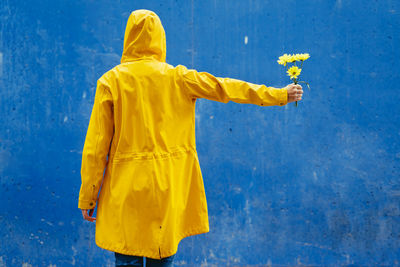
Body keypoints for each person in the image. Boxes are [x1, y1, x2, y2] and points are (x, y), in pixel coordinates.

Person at [78, 9, 303, 267]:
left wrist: (89, 196)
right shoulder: (179, 78)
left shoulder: (110, 81)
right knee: (162, 258)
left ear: (128, 38)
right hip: (168, 191)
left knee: (126, 256)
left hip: (125, 193)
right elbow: (226, 87)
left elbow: (96, 146)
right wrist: (280, 95)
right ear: (160, 40)